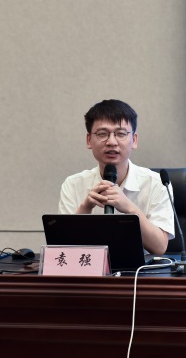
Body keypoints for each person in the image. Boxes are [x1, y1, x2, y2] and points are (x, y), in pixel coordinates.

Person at [58, 99, 174, 255]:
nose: (111, 142)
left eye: (120, 134)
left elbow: (160, 247)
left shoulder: (157, 183)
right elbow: (64, 251)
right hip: (88, 268)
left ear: (134, 140)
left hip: (140, 269)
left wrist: (129, 208)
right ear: (89, 140)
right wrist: (85, 208)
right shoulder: (73, 184)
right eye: (102, 134)